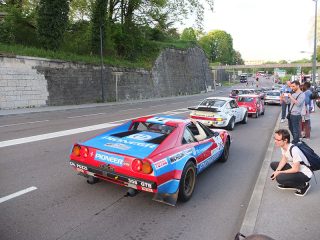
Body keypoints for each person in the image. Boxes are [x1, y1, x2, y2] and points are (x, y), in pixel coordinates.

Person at [270, 129, 312, 196]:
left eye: (278, 140)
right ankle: (290, 184)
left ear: (285, 140)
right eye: (275, 138)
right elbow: (284, 159)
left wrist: (279, 172)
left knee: (279, 178)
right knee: (273, 165)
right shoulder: (283, 146)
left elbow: (296, 169)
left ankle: (303, 185)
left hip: (304, 173)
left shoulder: (294, 150)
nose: (275, 141)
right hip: (295, 168)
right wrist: (277, 170)